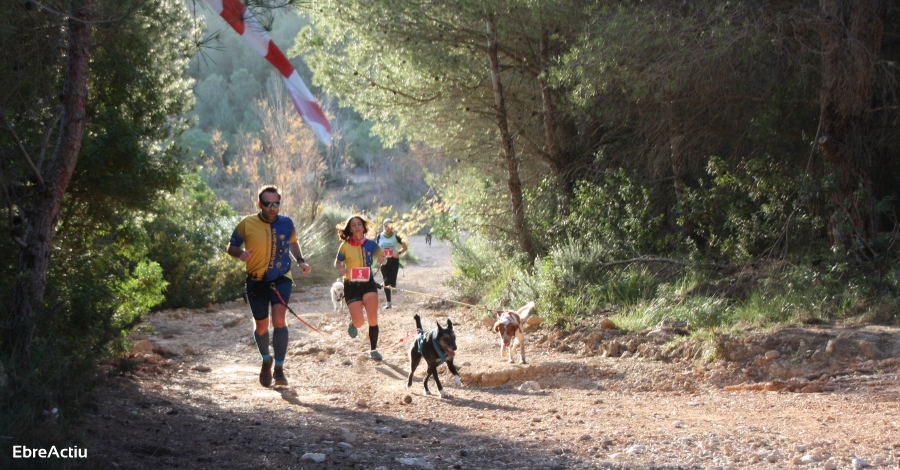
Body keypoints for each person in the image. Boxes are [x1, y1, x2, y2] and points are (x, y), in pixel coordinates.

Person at [227, 185, 311, 387]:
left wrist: (300, 260)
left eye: (276, 204)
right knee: (261, 325)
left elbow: (292, 242)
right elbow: (231, 246)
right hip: (256, 280)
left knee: (280, 319)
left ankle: (280, 368)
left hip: (281, 277)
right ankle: (266, 360)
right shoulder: (247, 223)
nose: (272, 208)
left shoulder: (286, 222)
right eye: (268, 204)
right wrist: (241, 254)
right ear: (260, 204)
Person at [334, 214, 386, 360]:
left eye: (359, 224)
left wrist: (383, 260)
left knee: (373, 318)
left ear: (363, 227)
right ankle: (353, 322)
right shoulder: (344, 246)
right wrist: (342, 270)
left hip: (368, 284)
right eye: (353, 225)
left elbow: (382, 258)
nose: (357, 227)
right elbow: (337, 263)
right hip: (351, 286)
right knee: (359, 322)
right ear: (350, 229)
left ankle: (374, 350)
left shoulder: (371, 244)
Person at [375, 219, 407, 309]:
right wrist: (379, 257)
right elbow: (376, 249)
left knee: (393, 282)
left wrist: (398, 253)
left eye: (389, 226)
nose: (387, 228)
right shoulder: (379, 236)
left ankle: (394, 287)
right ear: (383, 227)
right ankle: (388, 303)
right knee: (386, 280)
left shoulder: (396, 236)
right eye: (385, 226)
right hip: (384, 261)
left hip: (394, 261)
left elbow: (405, 247)